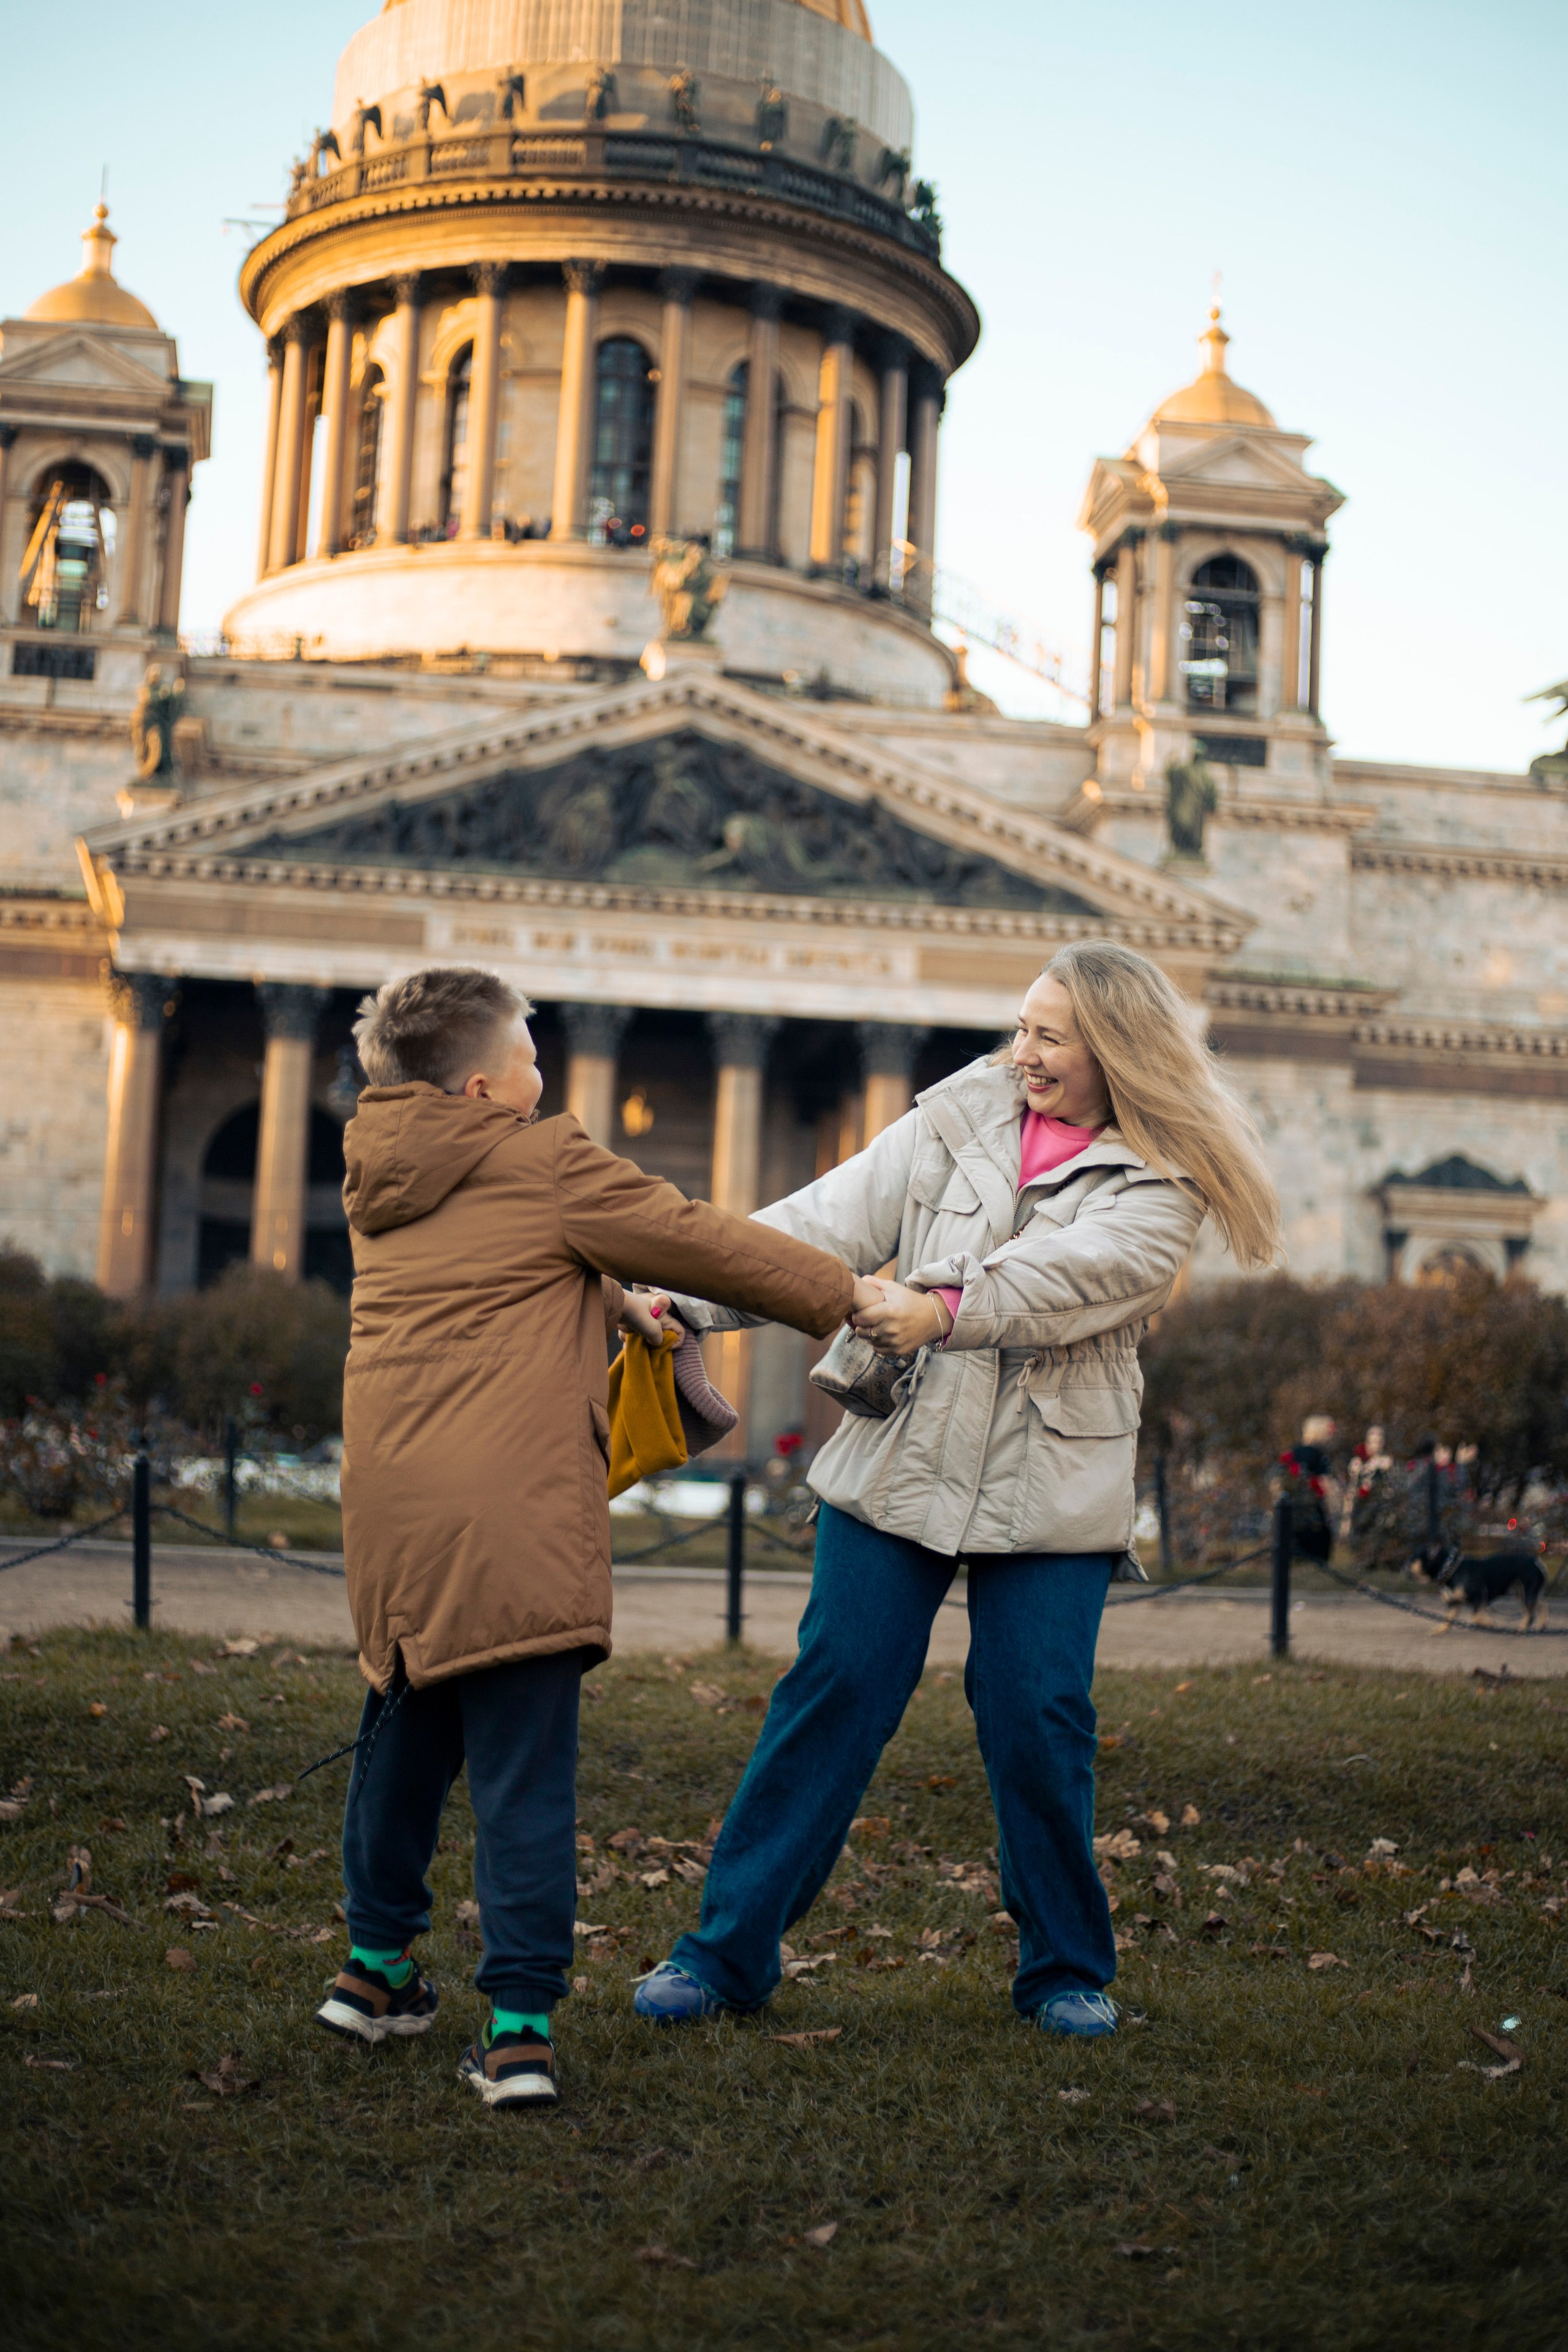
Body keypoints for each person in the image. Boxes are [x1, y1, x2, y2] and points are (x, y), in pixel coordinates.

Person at [633, 940, 1281, 2040]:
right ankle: (723, 1957)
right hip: (905, 1452)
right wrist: (681, 1295)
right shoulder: (955, 1115)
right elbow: (819, 1225)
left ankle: (1064, 1969)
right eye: (1021, 1027)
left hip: (1052, 1480)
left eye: (1048, 1037)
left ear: (1115, 1050)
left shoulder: (1164, 1180)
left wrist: (940, 1306)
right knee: (834, 1693)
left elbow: (1074, 1277)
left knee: (1039, 1718)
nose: (1022, 1052)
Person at [314, 967, 856, 2109]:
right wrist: (849, 1296)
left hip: (399, 1514)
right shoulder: (547, 1159)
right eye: (528, 1056)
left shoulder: (382, 1173)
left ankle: (372, 1972)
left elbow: (491, 1264)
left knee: (400, 1741)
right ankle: (518, 2032)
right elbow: (698, 1239)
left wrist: (615, 1303)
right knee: (524, 1778)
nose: (543, 1074)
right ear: (481, 1089)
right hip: (516, 1519)